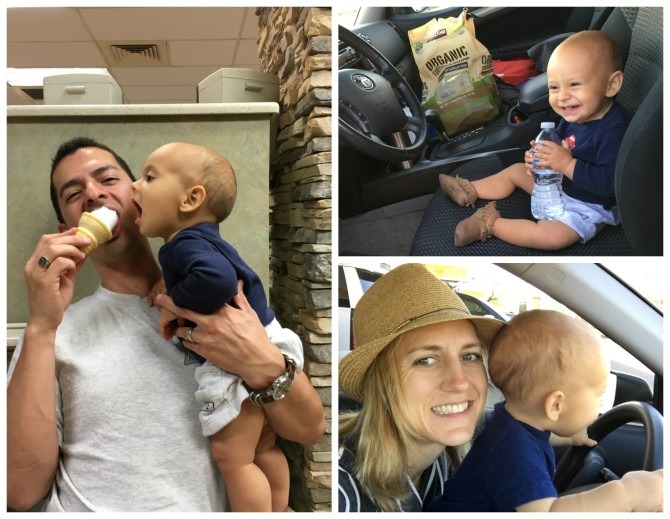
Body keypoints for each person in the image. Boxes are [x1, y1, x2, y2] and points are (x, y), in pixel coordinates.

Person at [6, 137, 325, 512]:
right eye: (74, 193)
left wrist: (261, 363)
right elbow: (18, 491)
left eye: (107, 180)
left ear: (137, 195)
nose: (93, 194)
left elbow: (307, 429)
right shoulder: (54, 332)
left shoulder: (229, 304)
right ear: (67, 228)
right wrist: (41, 326)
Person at [131, 141, 303, 512]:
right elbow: (212, 272)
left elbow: (217, 281)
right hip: (272, 338)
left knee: (232, 456)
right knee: (262, 447)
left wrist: (172, 305)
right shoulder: (201, 241)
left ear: (191, 199)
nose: (134, 186)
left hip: (240, 354)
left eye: (148, 177)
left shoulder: (181, 245)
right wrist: (170, 283)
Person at [428, 310, 664, 512]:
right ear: (555, 406)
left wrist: (569, 437)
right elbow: (548, 511)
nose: (600, 402)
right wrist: (628, 493)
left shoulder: (509, 424)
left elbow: (535, 435)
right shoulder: (514, 452)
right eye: (598, 395)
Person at [439, 30, 628, 249]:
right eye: (554, 87)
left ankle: (489, 223)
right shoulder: (575, 115)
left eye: (574, 84)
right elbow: (559, 148)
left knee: (552, 238)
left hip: (588, 204)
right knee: (517, 170)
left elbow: (611, 184)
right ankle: (470, 189)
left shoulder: (614, 130)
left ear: (611, 85)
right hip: (559, 185)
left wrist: (566, 164)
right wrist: (540, 159)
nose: (562, 96)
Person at [338, 263, 504, 512]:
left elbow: (503, 422)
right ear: (381, 382)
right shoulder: (341, 490)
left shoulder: (443, 446)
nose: (459, 382)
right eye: (425, 360)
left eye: (469, 356)